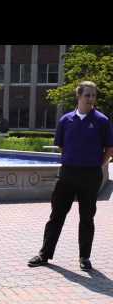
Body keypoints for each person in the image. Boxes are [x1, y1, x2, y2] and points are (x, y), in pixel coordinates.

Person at [28, 81, 113, 271]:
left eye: (93, 95)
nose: (91, 99)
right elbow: (61, 145)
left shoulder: (102, 121)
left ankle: (84, 257)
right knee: (56, 215)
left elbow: (109, 148)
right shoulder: (65, 120)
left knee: (87, 217)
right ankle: (44, 254)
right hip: (67, 173)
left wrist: (99, 165)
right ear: (79, 96)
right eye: (87, 95)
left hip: (90, 175)